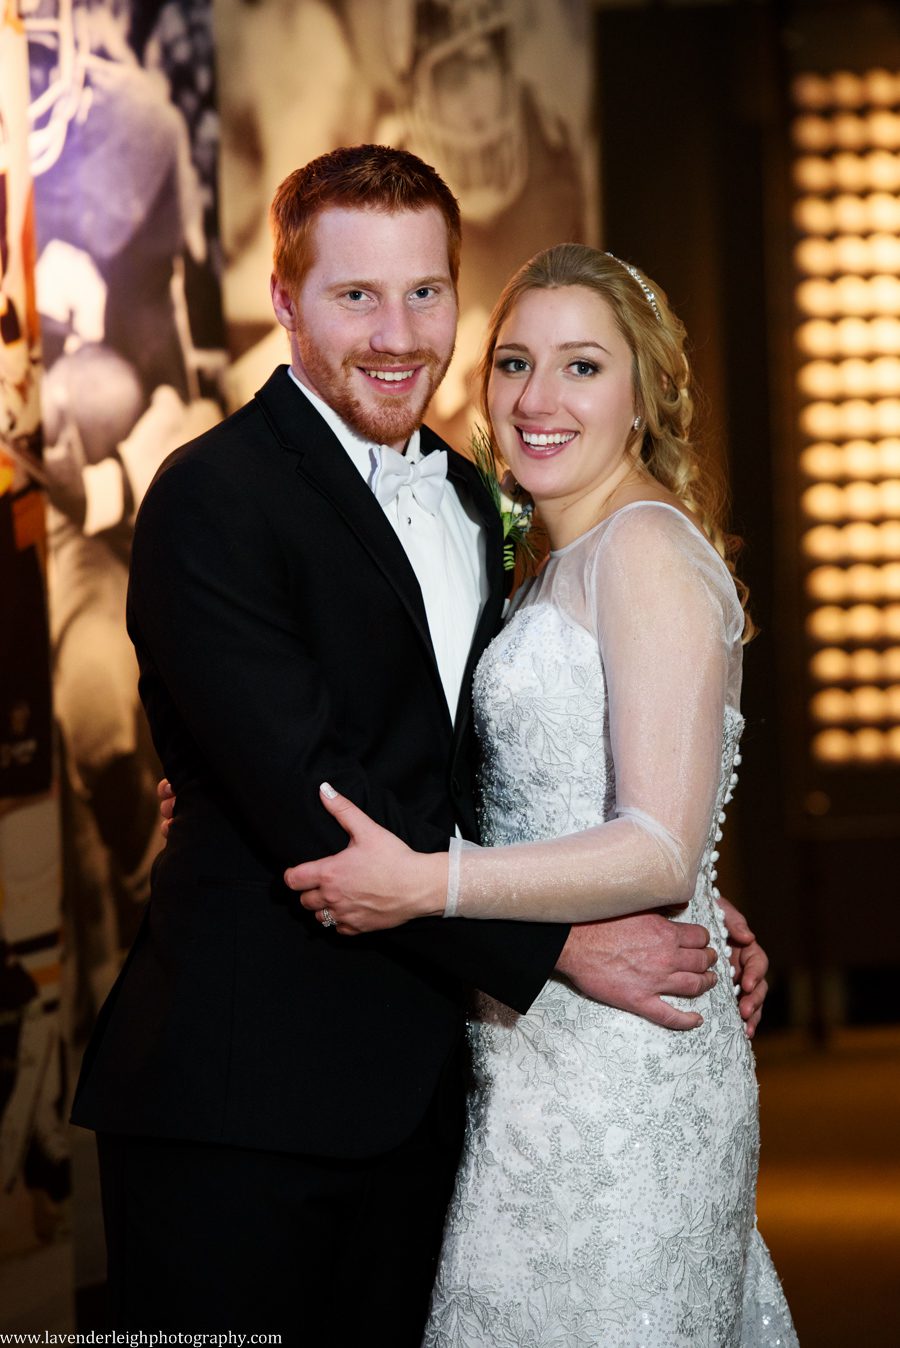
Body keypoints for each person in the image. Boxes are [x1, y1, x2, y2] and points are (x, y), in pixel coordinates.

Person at [72, 146, 765, 1344]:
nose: (398, 336)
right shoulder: (212, 495)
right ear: (285, 299)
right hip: (251, 1103)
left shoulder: (478, 496)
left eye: (427, 294)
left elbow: (497, 769)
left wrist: (682, 886)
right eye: (356, 297)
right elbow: (313, 802)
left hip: (446, 1102)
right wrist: (559, 941)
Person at [286, 244, 797, 1345]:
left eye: (581, 366)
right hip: (527, 1049)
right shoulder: (541, 557)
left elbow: (659, 844)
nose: (536, 399)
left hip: (624, 1064)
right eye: (515, 362)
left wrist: (429, 882)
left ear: (643, 396)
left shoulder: (646, 548)